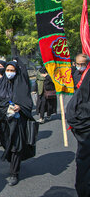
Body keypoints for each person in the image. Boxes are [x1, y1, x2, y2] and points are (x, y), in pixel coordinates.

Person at [0, 60, 37, 186]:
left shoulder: (21, 85)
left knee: (16, 146)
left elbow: (28, 102)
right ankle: (13, 162)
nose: (9, 73)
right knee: (7, 144)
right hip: (2, 121)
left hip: (17, 121)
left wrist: (20, 107)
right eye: (8, 70)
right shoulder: (0, 84)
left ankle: (14, 173)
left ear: (16, 72)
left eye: (12, 70)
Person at [66, 53, 90, 197]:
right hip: (81, 121)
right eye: (78, 64)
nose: (80, 66)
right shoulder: (73, 76)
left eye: (84, 64)